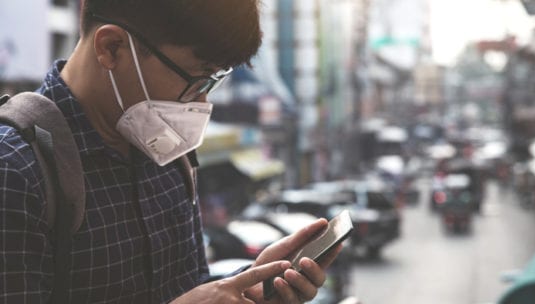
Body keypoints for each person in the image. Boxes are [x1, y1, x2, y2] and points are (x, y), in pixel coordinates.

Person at [0, 0, 341, 303]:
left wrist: (247, 284)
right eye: (195, 79)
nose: (202, 102)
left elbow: (185, 287)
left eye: (213, 82)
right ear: (112, 48)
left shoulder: (167, 150)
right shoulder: (16, 170)